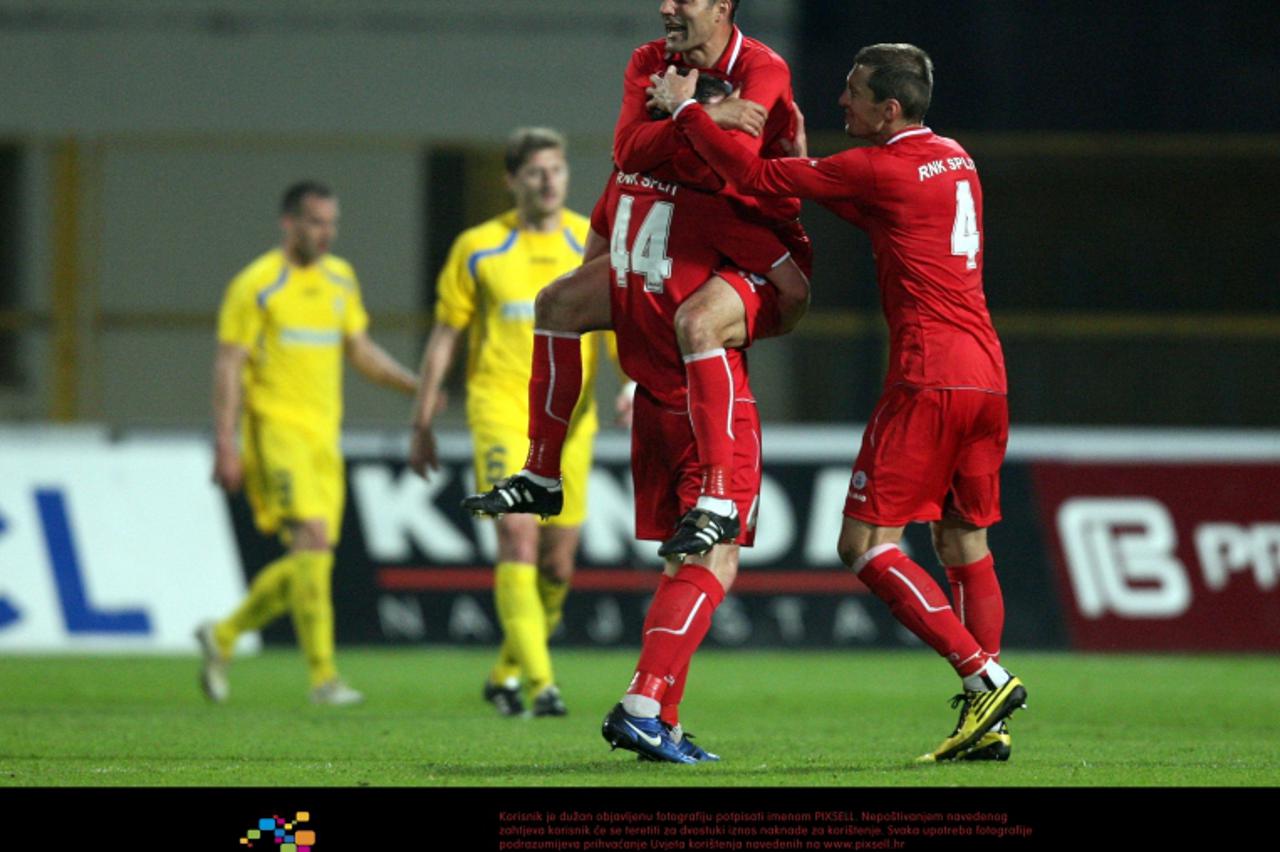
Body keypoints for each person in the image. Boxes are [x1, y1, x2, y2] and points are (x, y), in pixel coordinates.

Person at [652, 42, 1026, 762]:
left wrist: (688, 113)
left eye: (854, 92)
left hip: (928, 378)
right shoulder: (955, 158)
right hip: (987, 376)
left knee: (862, 546)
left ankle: (986, 677)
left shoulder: (878, 167)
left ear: (890, 108)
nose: (841, 102)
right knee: (964, 543)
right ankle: (990, 723)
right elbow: (893, 221)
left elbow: (753, 175)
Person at [463, 0, 811, 558]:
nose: (665, 6)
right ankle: (541, 474)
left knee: (698, 326)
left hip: (743, 240)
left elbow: (731, 168)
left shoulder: (762, 68)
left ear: (722, 7)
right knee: (556, 304)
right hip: (673, 231)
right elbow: (627, 151)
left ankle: (719, 496)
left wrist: (676, 116)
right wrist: (704, 117)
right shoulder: (649, 59)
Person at [592, 165, 810, 763]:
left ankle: (662, 718)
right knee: (717, 554)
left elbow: (599, 273)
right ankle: (640, 706)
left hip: (655, 398)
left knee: (683, 561)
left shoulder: (626, 184)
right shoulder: (716, 195)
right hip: (712, 404)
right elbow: (792, 289)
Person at [410, 128, 615, 718]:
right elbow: (446, 335)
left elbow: (622, 319)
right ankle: (543, 686)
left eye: (556, 169)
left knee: (556, 565)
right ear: (512, 181)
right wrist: (422, 420)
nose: (548, 180)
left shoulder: (590, 239)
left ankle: (505, 672)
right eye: (534, 172)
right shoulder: (478, 247)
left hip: (573, 418)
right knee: (517, 534)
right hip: (501, 412)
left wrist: (632, 385)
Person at [199, 180, 418, 705]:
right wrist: (225, 446)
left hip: (324, 439)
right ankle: (324, 679)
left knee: (313, 557)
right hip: (275, 433)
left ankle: (223, 634)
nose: (326, 233)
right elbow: (229, 367)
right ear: (289, 223)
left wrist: (417, 385)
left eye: (332, 223)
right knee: (313, 542)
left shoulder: (340, 280)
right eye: (316, 222)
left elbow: (360, 351)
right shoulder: (257, 285)